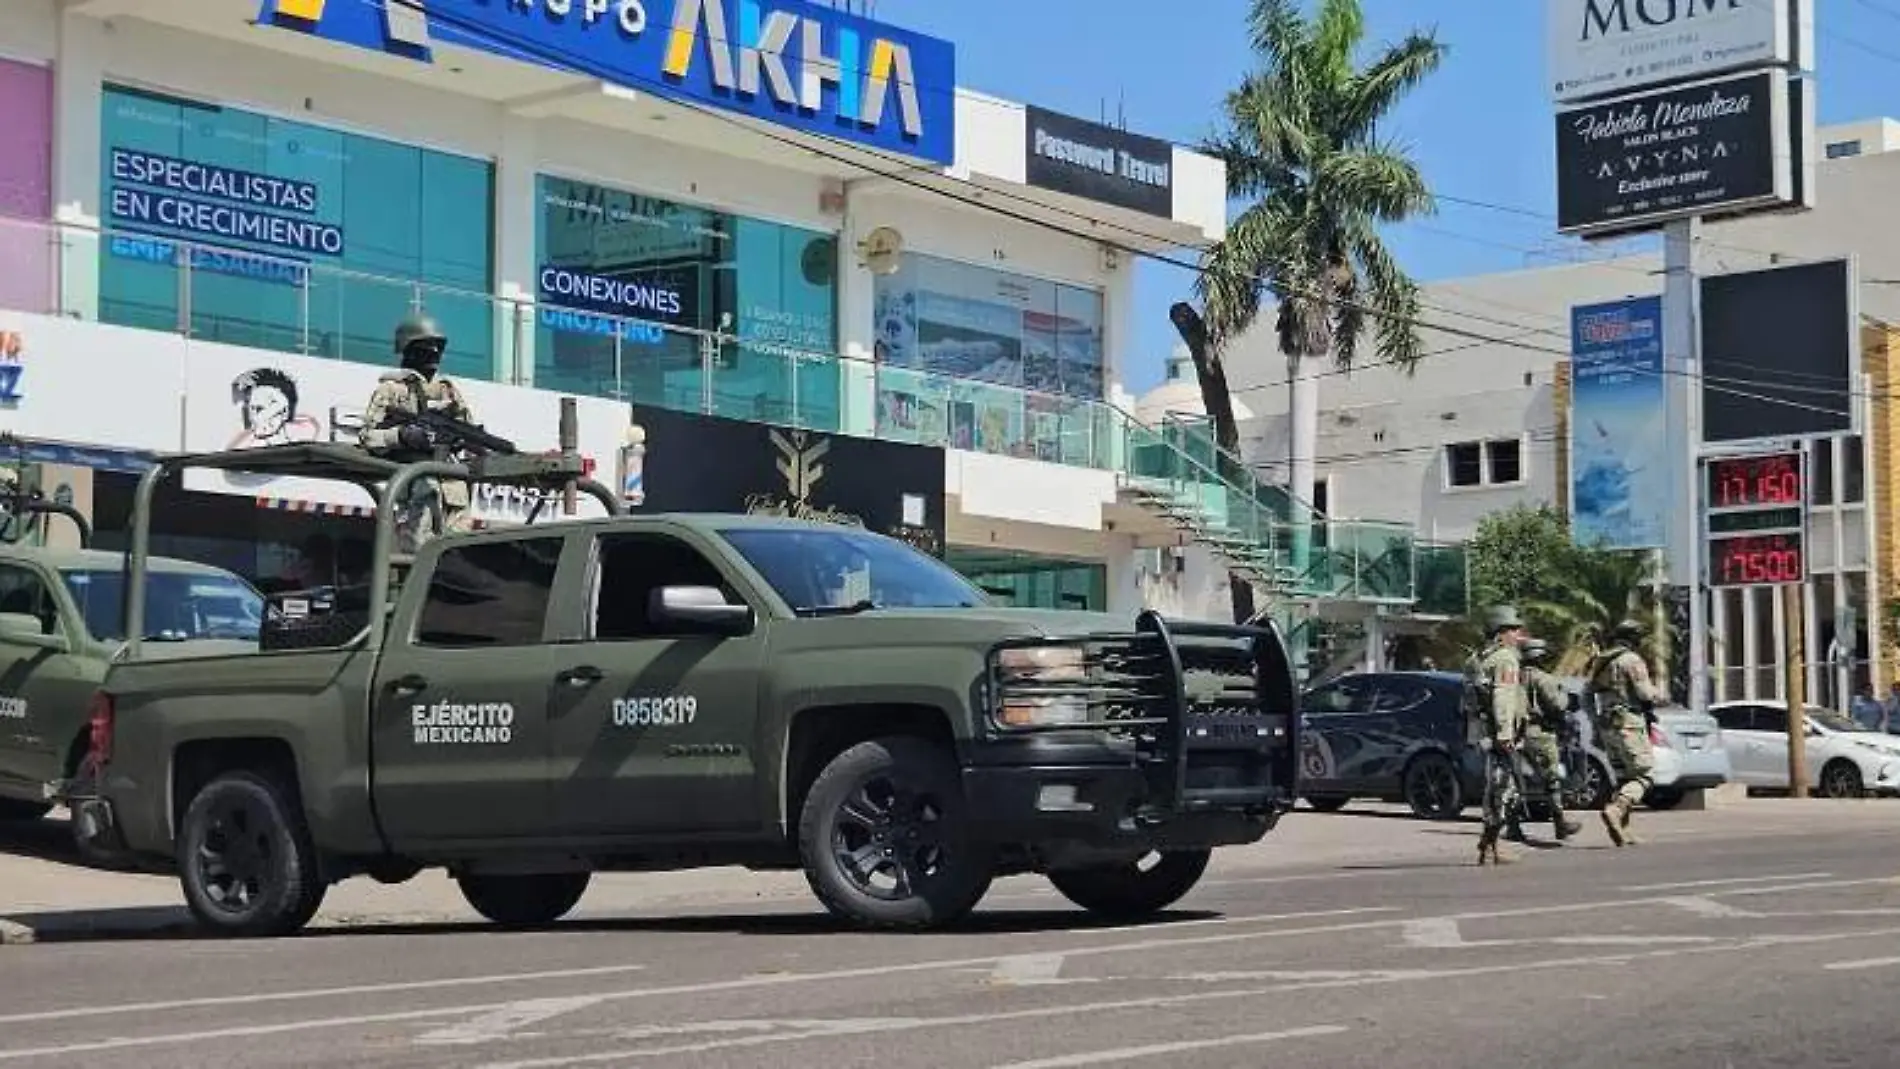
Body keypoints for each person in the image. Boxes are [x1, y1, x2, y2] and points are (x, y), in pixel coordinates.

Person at [357, 314, 476, 553]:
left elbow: (468, 430)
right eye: (426, 347)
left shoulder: (449, 392)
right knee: (418, 554)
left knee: (458, 558)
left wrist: (461, 439)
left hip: (452, 486)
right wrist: (402, 436)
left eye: (438, 348)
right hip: (415, 484)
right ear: (408, 349)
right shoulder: (391, 389)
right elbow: (367, 435)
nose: (434, 353)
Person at [1585, 619, 1667, 847]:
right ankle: (1617, 809)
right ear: (1633, 638)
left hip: (1608, 726)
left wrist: (1595, 720)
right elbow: (1644, 692)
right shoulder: (1631, 660)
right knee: (1645, 774)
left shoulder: (1601, 662)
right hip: (1629, 723)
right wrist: (1661, 697)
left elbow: (1586, 695)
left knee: (1623, 777)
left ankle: (1624, 829)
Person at [1463, 605, 1530, 866]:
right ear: (1500, 633)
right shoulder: (1504, 658)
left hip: (1482, 732)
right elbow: (1503, 697)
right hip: (1499, 734)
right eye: (1512, 629)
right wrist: (1505, 734)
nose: (1517, 633)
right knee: (1505, 790)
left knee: (1497, 788)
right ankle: (1488, 843)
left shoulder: (1479, 658)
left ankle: (1490, 845)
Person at [1519, 639, 1583, 843]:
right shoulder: (1543, 679)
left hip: (1517, 734)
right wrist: (1566, 697)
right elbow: (1558, 705)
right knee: (1552, 781)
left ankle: (1512, 825)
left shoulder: (1514, 677)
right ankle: (1560, 823)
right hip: (1540, 734)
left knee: (1513, 782)